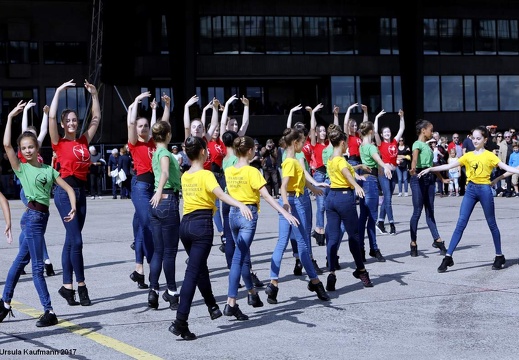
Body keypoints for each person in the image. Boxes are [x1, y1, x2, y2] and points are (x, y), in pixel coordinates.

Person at [169, 136, 253, 340]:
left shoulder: (186, 175)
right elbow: (221, 195)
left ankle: (212, 306)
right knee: (192, 273)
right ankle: (180, 321)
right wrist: (240, 204)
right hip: (201, 226)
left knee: (200, 270)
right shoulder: (206, 175)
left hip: (185, 226)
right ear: (203, 153)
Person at [0, 100, 76, 326]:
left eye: (30, 147)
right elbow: (6, 145)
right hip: (32, 219)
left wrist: (72, 207)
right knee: (35, 269)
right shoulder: (21, 169)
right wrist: (10, 117)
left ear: (36, 148)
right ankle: (49, 310)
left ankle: (4, 304)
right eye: (23, 148)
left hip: (39, 219)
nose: (26, 150)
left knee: (18, 264)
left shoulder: (48, 169)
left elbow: (69, 188)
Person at [418, 126, 519, 272]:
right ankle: (448, 257)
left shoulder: (490, 155)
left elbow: (507, 168)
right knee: (461, 223)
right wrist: (430, 169)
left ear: (485, 140)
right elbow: (449, 165)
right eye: (473, 138)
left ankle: (499, 255)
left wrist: (510, 172)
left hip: (485, 190)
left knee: (492, 224)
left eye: (479, 138)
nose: (476, 141)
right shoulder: (468, 155)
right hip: (470, 190)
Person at [224, 135, 298, 320]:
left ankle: (252, 294)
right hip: (247, 215)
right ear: (249, 151)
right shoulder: (252, 172)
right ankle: (231, 302)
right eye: (254, 149)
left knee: (243, 258)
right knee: (238, 259)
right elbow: (267, 196)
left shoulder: (229, 170)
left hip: (233, 214)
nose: (256, 151)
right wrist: (285, 212)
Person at [49, 79, 100, 307]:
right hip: (63, 192)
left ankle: (66, 287)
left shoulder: (82, 140)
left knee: (71, 240)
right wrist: (59, 91)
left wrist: (95, 95)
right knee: (77, 241)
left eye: (74, 120)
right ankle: (82, 287)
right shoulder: (58, 143)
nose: (72, 123)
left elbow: (96, 119)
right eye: (68, 120)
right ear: (62, 124)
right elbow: (50, 117)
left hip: (81, 191)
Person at [265, 127, 330, 305]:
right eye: (302, 142)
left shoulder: (290, 160)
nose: (305, 145)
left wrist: (314, 188)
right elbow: (284, 187)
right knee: (302, 246)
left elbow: (297, 182)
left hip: (292, 201)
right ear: (295, 143)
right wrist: (286, 206)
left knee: (282, 242)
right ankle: (316, 283)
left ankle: (273, 284)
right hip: (295, 203)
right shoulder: (291, 162)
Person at [127, 92, 170, 290]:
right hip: (140, 186)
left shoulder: (154, 143)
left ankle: (139, 270)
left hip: (154, 187)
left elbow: (162, 125)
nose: (143, 128)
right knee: (149, 225)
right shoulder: (134, 144)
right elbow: (130, 123)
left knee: (141, 226)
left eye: (146, 125)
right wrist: (136, 102)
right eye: (140, 126)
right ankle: (152, 266)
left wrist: (166, 106)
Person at [325, 128, 374, 291]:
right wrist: (356, 186)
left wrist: (360, 166)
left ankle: (331, 273)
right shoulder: (339, 160)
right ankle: (361, 270)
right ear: (342, 143)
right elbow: (346, 173)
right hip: (344, 198)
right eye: (346, 142)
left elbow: (346, 169)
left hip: (331, 198)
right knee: (354, 237)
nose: (348, 145)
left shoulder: (331, 159)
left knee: (332, 238)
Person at [18, 100, 55, 277]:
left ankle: (23, 258)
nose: (32, 139)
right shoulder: (25, 151)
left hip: (40, 194)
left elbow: (44, 131)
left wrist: (46, 114)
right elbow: (25, 129)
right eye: (28, 136)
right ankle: (45, 261)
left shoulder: (36, 150)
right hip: (28, 192)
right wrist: (25, 110)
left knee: (28, 230)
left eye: (34, 138)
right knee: (35, 229)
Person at [147, 120, 182, 310]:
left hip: (156, 204)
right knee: (169, 252)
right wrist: (160, 190)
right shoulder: (165, 154)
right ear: (168, 135)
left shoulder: (155, 152)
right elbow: (166, 173)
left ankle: (153, 290)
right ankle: (172, 292)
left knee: (158, 251)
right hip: (167, 200)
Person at [408, 119, 448, 258]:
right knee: (417, 211)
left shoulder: (429, 148)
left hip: (429, 178)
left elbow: (431, 166)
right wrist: (413, 168)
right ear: (423, 130)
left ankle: (437, 240)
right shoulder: (417, 144)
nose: (432, 132)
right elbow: (414, 158)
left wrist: (442, 178)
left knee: (430, 211)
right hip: (418, 177)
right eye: (430, 129)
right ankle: (413, 242)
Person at [357, 121, 393, 262]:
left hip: (363, 180)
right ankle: (374, 248)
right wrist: (386, 166)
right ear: (371, 132)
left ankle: (361, 248)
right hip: (371, 181)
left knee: (363, 217)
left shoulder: (361, 146)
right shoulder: (371, 147)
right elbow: (377, 159)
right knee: (371, 217)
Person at [373, 109, 405, 236]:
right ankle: (392, 224)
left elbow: (402, 129)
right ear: (382, 134)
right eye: (385, 132)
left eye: (388, 132)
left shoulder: (394, 142)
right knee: (388, 199)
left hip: (394, 171)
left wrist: (401, 117)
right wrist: (377, 117)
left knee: (388, 199)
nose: (387, 133)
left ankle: (380, 222)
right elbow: (374, 131)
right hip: (384, 173)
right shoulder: (380, 144)